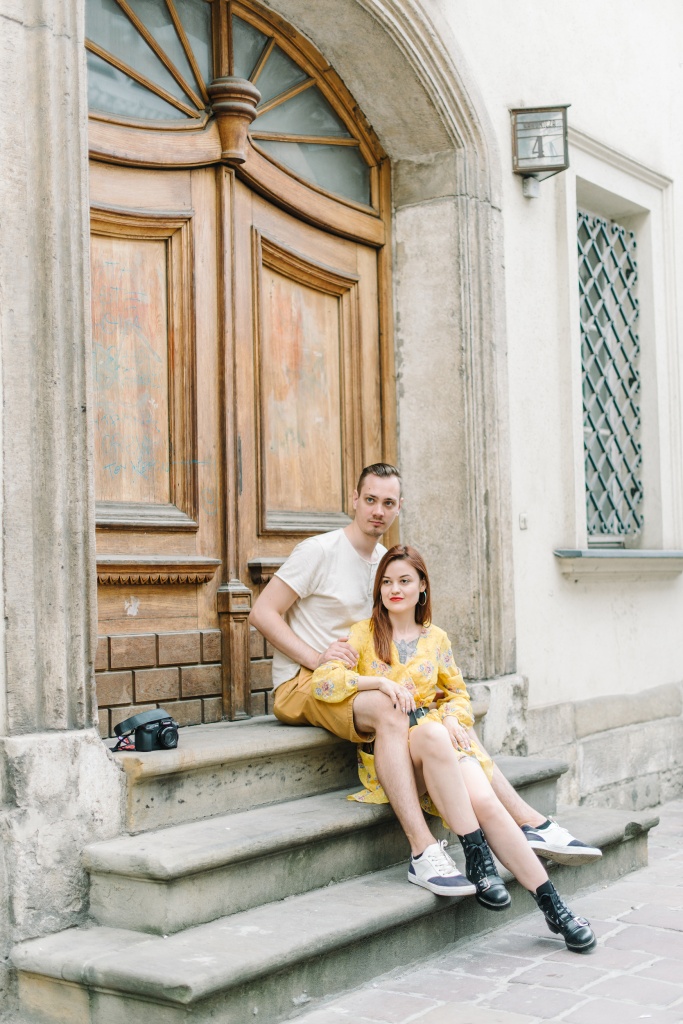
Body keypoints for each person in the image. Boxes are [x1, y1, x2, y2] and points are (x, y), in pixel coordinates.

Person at [249, 462, 602, 866]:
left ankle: (529, 822)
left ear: (399, 507)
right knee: (392, 708)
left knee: (443, 712)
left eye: (388, 503)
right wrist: (317, 658)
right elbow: (262, 613)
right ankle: (423, 848)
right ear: (354, 499)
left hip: (360, 680)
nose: (378, 511)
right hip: (304, 682)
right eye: (370, 500)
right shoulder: (319, 552)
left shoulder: (386, 564)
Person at [306, 544, 596, 953]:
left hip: (439, 743)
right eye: (386, 582)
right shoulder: (363, 635)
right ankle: (478, 859)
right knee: (430, 736)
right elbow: (323, 683)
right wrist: (379, 683)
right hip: (398, 760)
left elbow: (458, 694)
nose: (394, 589)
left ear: (422, 587)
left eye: (404, 581)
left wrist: (454, 717)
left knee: (486, 800)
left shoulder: (436, 638)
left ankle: (554, 907)